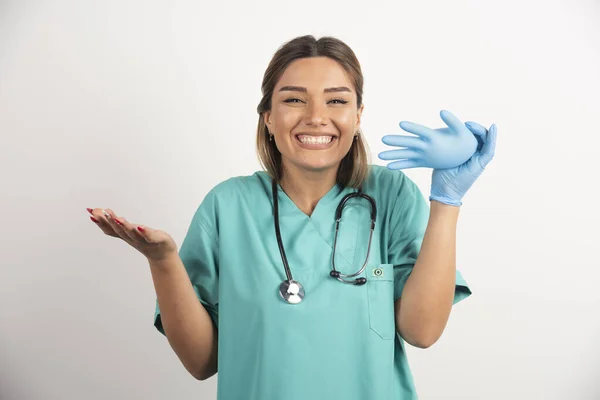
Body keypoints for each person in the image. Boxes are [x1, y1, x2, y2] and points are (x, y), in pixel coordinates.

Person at [88, 35, 496, 399]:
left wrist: (446, 201)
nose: (316, 116)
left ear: (357, 116)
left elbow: (422, 332)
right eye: (294, 99)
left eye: (336, 100)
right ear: (267, 116)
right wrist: (162, 262)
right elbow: (201, 362)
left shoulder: (390, 196)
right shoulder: (228, 206)